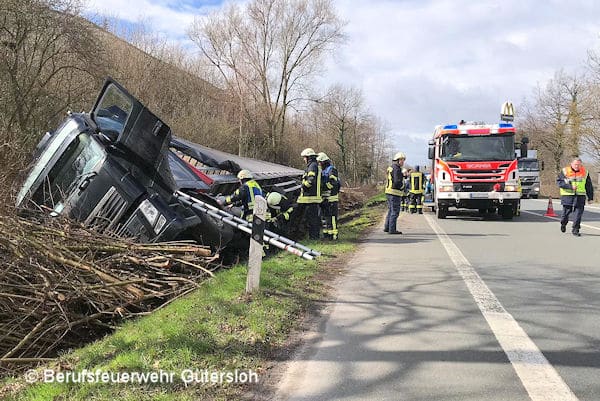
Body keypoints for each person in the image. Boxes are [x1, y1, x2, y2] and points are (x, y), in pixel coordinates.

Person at [557, 157, 594, 236]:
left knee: (578, 214)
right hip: (567, 196)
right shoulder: (565, 171)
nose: (577, 166)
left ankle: (575, 229)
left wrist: (590, 198)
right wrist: (570, 187)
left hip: (580, 196)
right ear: (571, 164)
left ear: (581, 165)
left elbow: (589, 186)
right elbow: (559, 183)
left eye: (579, 165)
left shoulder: (585, 172)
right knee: (565, 214)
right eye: (575, 164)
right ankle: (563, 224)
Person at [297, 148, 322, 240]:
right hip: (311, 198)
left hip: (311, 198)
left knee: (312, 219)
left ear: (309, 157)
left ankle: (314, 237)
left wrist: (304, 186)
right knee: (313, 218)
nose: (304, 159)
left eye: (305, 158)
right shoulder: (313, 165)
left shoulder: (312, 166)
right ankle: (313, 236)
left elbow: (311, 180)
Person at [317, 152, 341, 240]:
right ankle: (326, 235)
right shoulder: (322, 170)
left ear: (323, 162)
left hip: (331, 199)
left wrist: (325, 186)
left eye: (319, 162)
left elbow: (333, 183)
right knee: (325, 218)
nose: (318, 164)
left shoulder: (331, 170)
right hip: (324, 198)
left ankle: (334, 235)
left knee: (332, 218)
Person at [384, 152, 406, 234]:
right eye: (402, 160)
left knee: (390, 210)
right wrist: (401, 187)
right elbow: (397, 181)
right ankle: (392, 229)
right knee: (395, 212)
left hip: (389, 192)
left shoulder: (391, 167)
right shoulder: (397, 169)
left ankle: (387, 227)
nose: (403, 162)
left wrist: (403, 176)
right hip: (394, 193)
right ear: (398, 160)